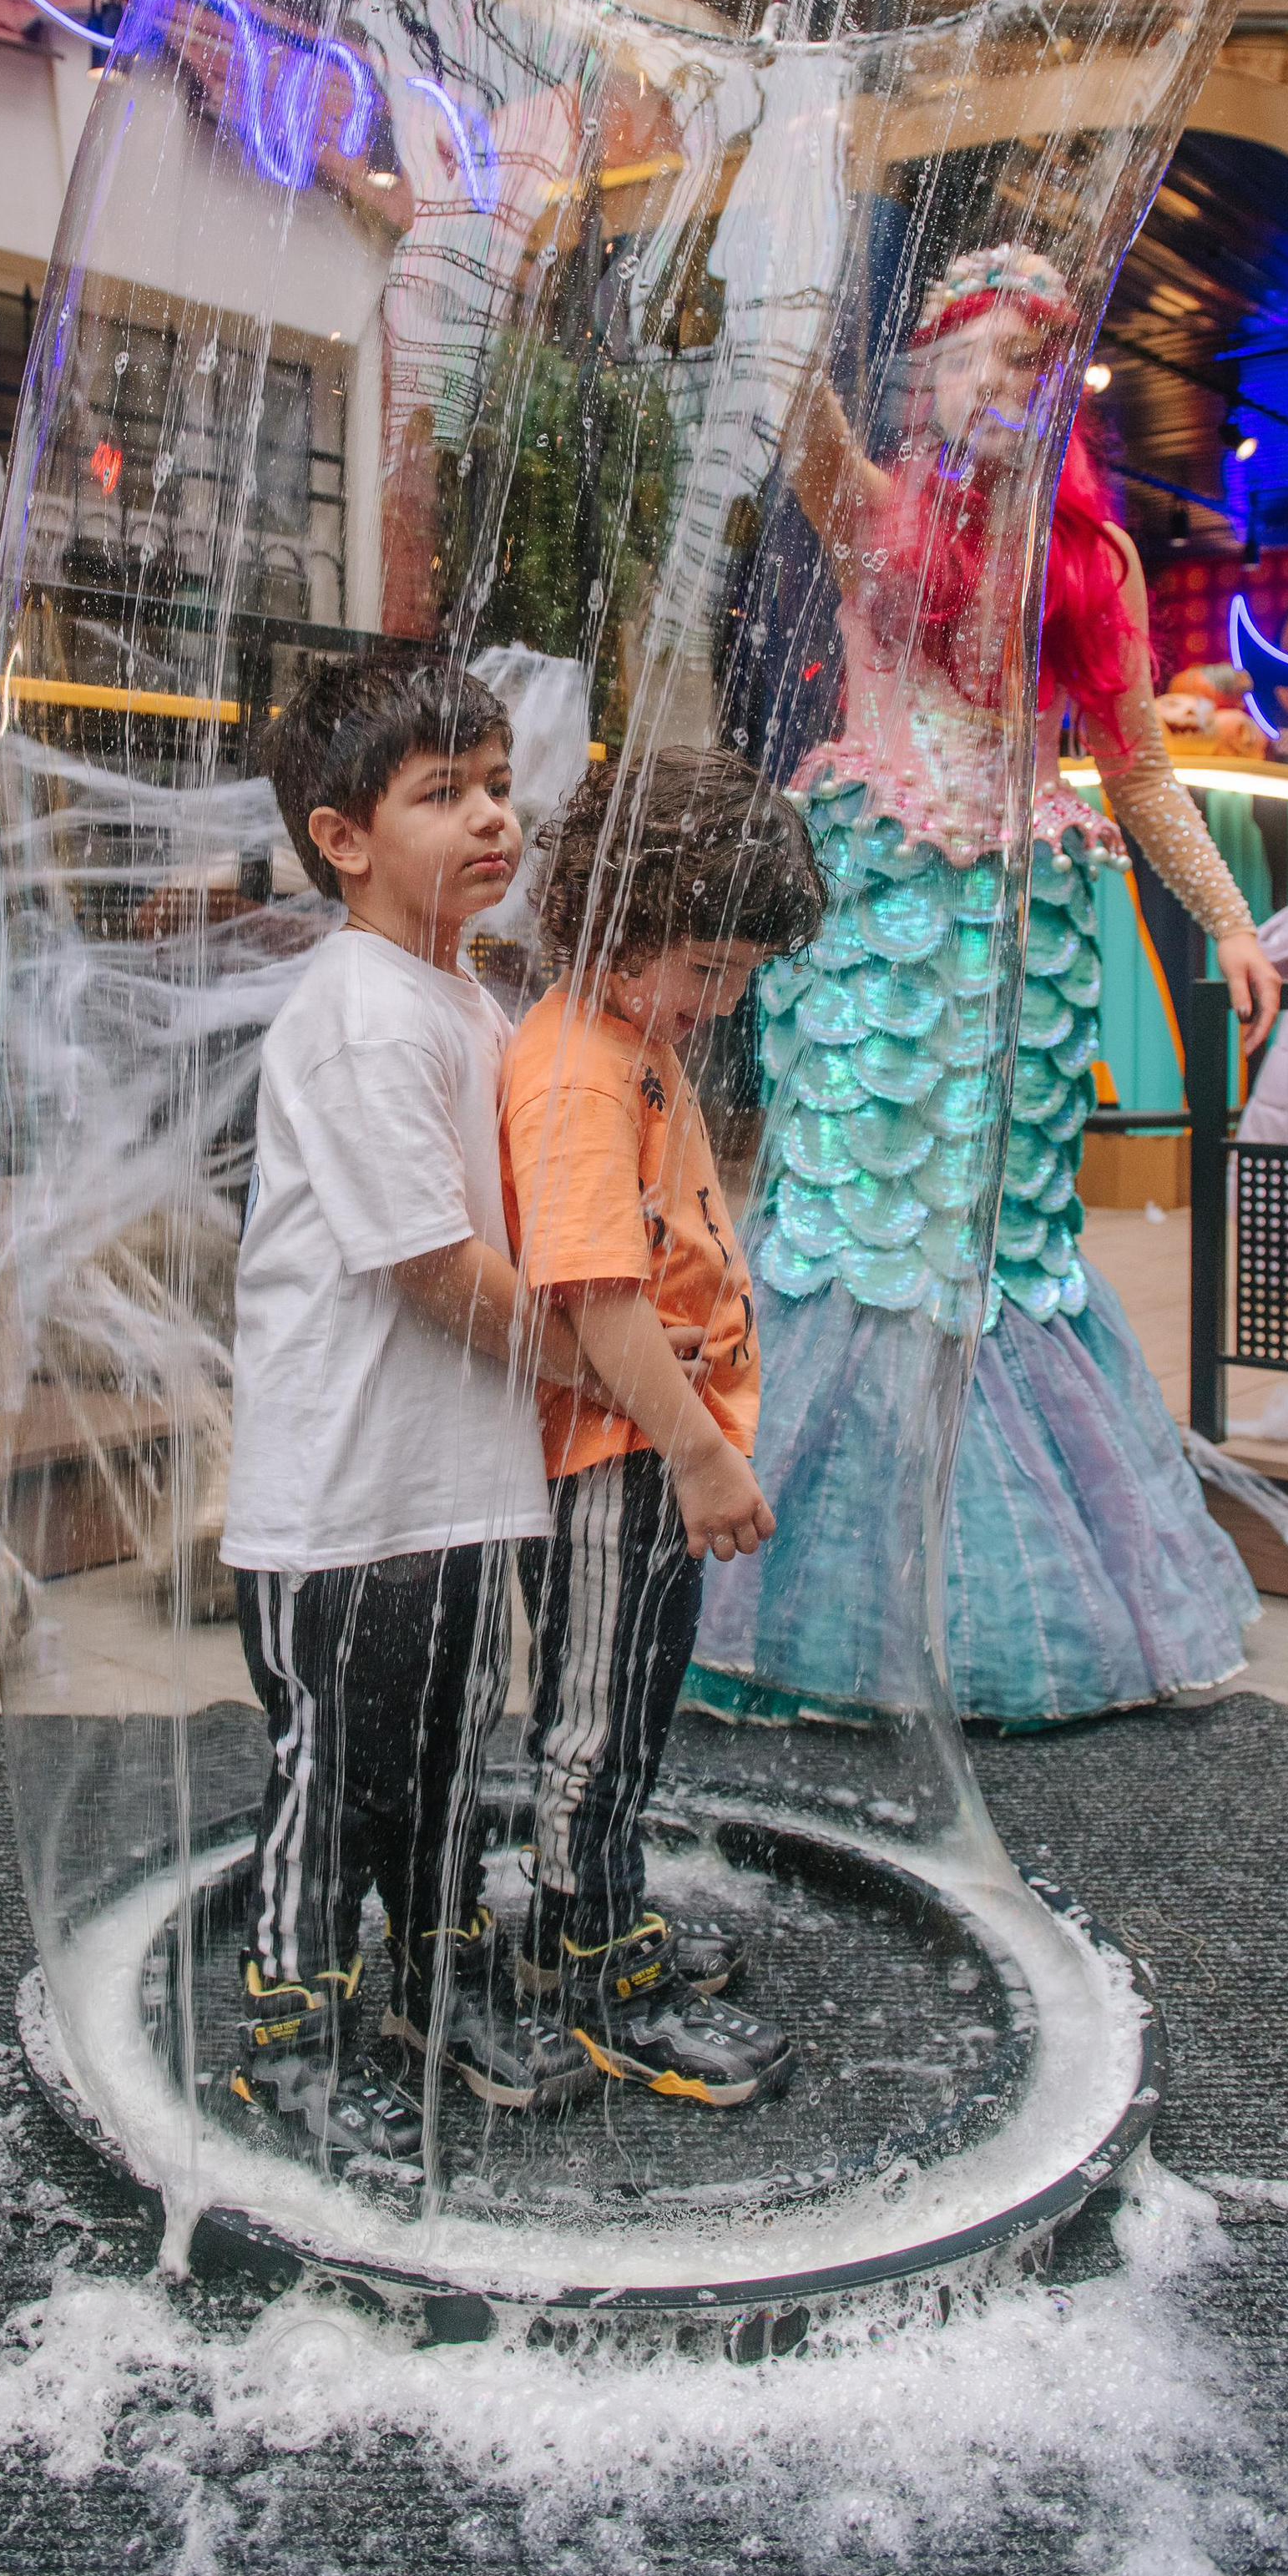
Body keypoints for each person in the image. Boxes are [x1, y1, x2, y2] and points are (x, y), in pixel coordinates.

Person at [689, 243, 1282, 1730]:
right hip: (884, 914)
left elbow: (1137, 765)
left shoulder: (1096, 561)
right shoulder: (877, 514)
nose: (1002, 384)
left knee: (1000, 1239)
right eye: (977, 355)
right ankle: (804, 1602)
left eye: (1031, 362)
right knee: (847, 1225)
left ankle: (1004, 1599)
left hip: (1015, 915)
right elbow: (797, 421)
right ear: (931, 375)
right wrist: (782, 232)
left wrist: (1231, 920)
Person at [220, 655, 593, 2178]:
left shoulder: (459, 992)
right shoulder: (366, 1012)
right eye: (444, 794)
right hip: (345, 1497)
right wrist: (591, 1365)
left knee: (445, 1755)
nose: (493, 818)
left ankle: (434, 1982)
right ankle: (291, 2034)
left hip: (447, 1485)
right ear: (345, 838)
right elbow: (433, 1264)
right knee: (330, 1770)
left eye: (498, 784)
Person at [501, 746, 823, 2101]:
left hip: (649, 1448)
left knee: (629, 1704)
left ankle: (601, 1913)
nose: (725, 1001)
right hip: (620, 1463)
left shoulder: (624, 1038)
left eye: (744, 975)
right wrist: (696, 1451)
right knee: (596, 1715)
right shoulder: (579, 1071)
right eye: (707, 968)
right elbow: (590, 1286)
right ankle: (586, 1967)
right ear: (615, 925)